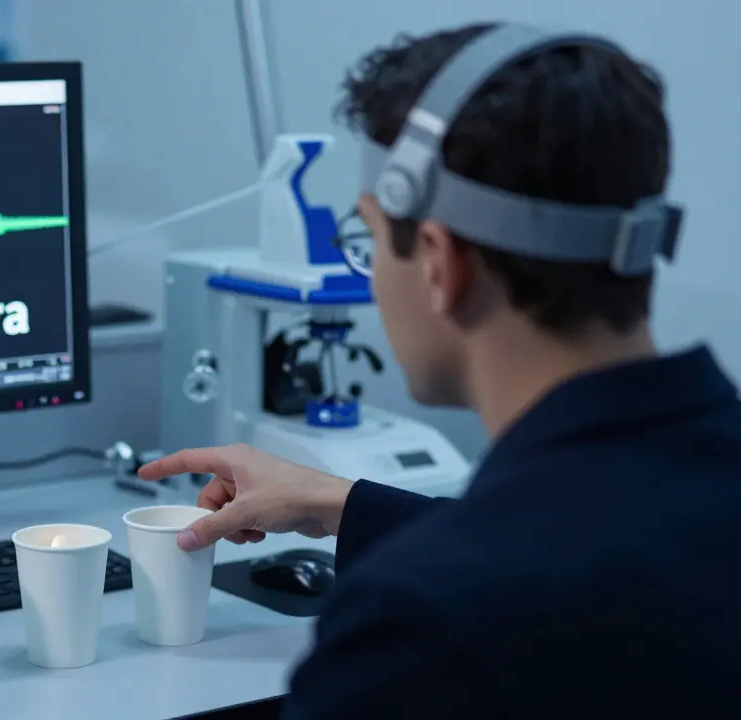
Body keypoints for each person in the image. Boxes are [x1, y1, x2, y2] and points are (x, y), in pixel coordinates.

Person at [139, 22, 741, 719]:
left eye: (368, 239)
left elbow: (513, 568)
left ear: (439, 262)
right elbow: (588, 540)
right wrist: (343, 503)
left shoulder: (422, 625)